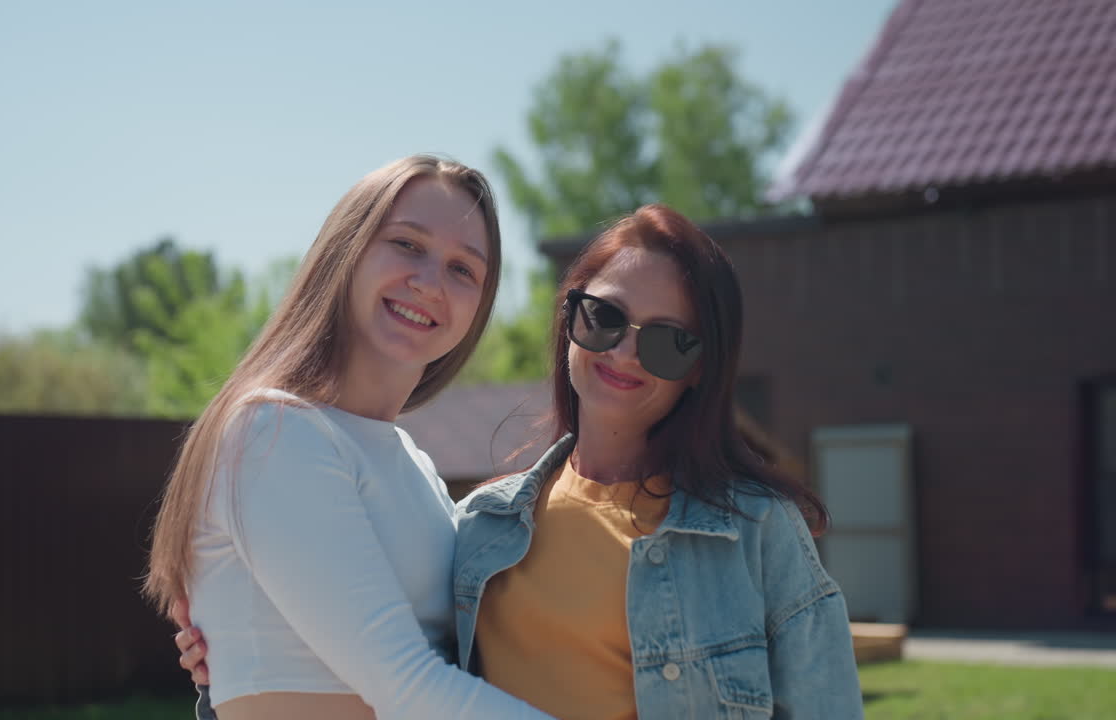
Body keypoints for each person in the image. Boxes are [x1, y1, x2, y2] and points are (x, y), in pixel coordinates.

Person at [177, 204, 864, 719]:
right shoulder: (480, 528)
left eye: (667, 342)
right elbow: (390, 654)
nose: (625, 352)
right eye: (604, 319)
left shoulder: (757, 531)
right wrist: (229, 644)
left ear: (700, 369)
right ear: (569, 320)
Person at [145, 154, 555, 720]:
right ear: (347, 250)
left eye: (463, 269)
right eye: (407, 244)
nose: (430, 282)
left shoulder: (415, 465)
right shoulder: (274, 431)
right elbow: (406, 686)